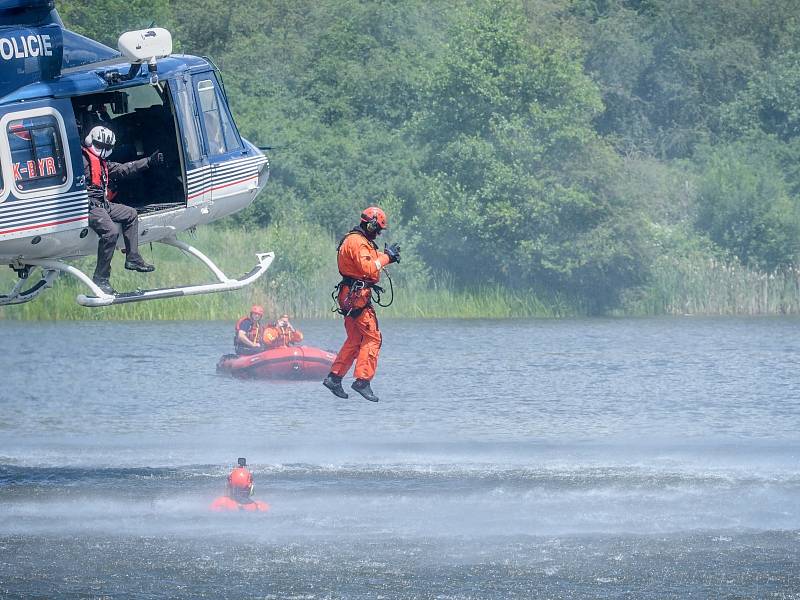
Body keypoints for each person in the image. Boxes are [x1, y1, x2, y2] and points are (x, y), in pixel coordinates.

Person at [322, 206, 400, 402]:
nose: (379, 233)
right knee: (373, 338)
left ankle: (334, 377)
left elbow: (370, 266)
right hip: (356, 297)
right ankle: (362, 381)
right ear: (371, 224)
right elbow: (367, 267)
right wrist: (386, 257)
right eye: (378, 228)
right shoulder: (357, 242)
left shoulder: (358, 241)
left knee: (356, 339)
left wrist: (385, 258)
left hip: (351, 295)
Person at [82, 125, 164, 295]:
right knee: (110, 232)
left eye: (107, 148)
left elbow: (124, 169)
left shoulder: (103, 163)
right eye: (100, 146)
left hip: (102, 204)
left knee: (131, 214)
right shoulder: (81, 160)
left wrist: (148, 161)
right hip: (87, 205)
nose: (103, 151)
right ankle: (101, 279)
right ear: (90, 141)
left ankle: (133, 258)